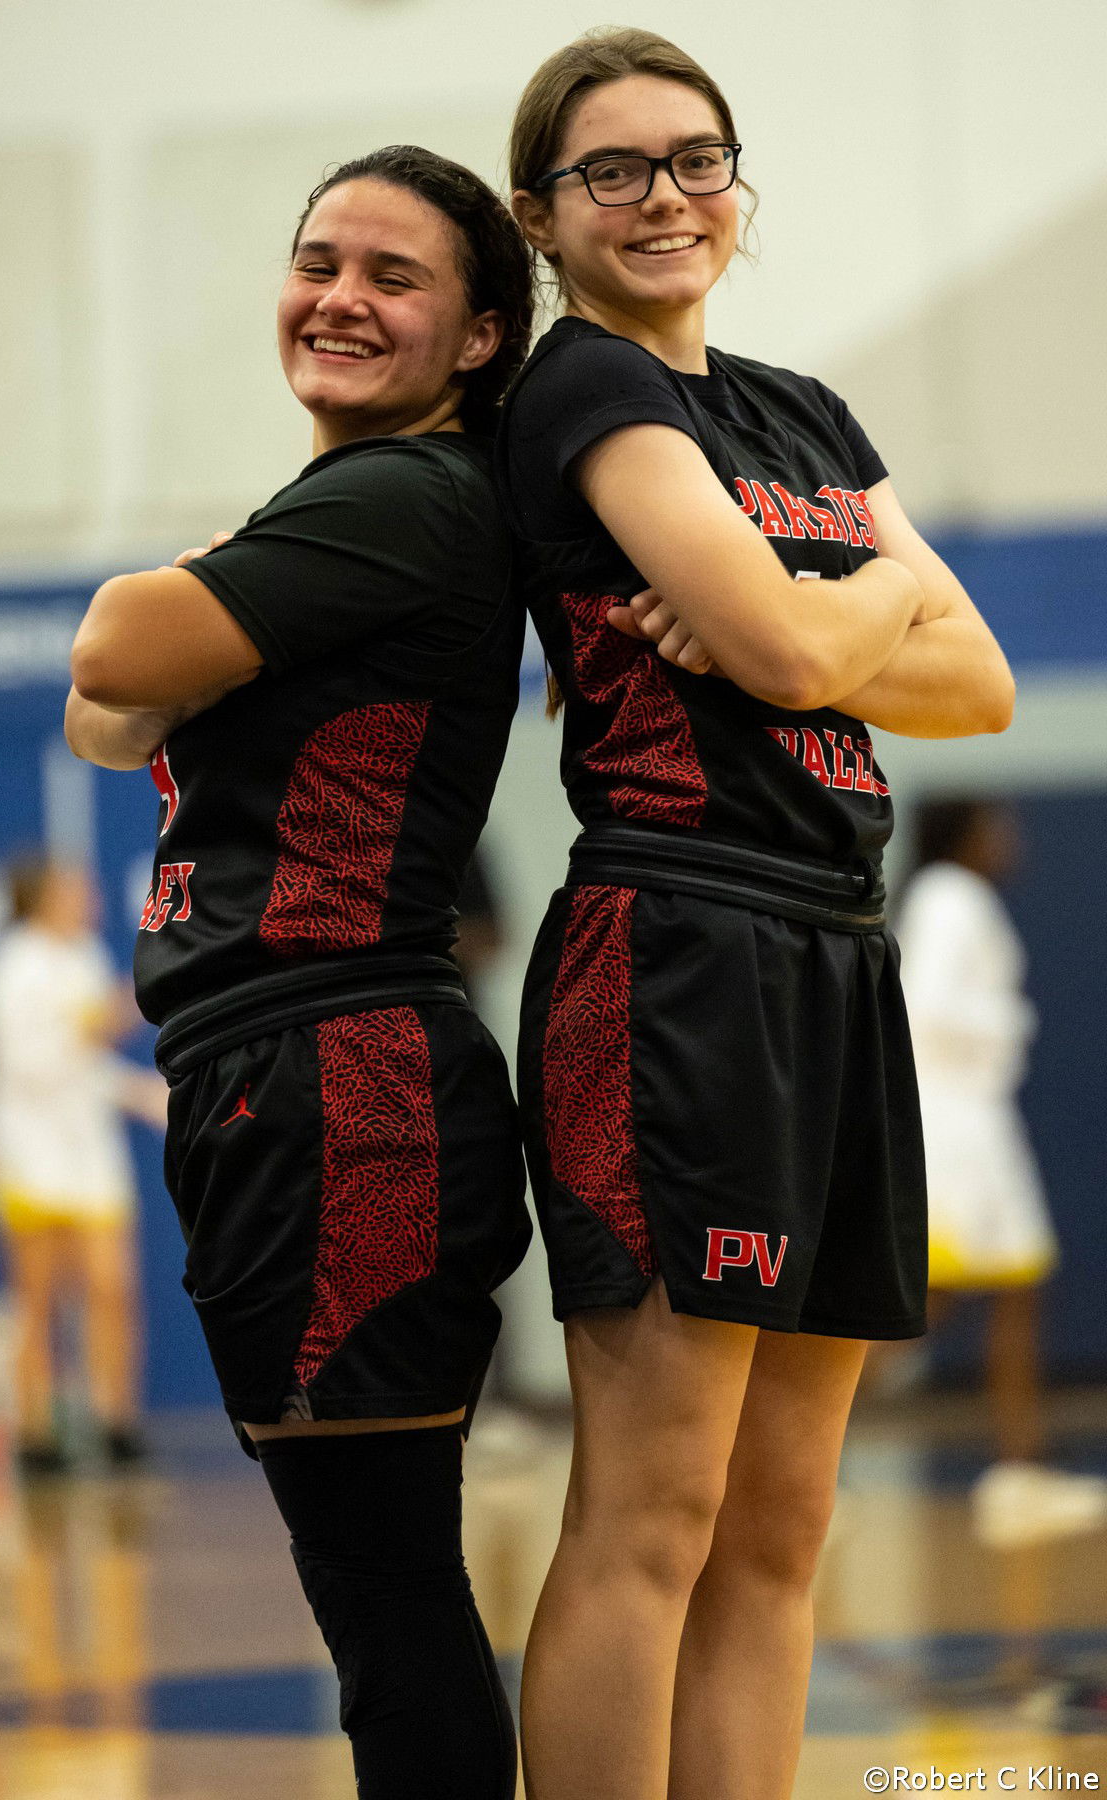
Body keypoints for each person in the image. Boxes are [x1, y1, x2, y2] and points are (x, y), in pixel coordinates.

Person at [498, 29, 1016, 1800]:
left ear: (741, 191)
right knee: (657, 1512)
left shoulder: (802, 412)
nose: (664, 197)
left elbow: (988, 683)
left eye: (696, 158)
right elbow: (838, 651)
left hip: (834, 954)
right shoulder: (581, 393)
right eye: (614, 171)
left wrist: (796, 597)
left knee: (785, 1531)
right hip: (676, 952)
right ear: (543, 221)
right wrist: (865, 597)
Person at [64, 147, 534, 1799]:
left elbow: (117, 656)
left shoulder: (400, 494)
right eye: (317, 257)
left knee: (390, 1608)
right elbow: (101, 711)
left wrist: (166, 617)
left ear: (480, 336)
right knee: (380, 1598)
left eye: (393, 277)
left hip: (344, 1091)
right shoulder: (342, 510)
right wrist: (158, 635)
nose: (338, 295)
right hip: (293, 1086)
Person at [896, 798, 1107, 1548]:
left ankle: (1020, 1471)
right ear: (965, 833)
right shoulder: (950, 896)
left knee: (1006, 1286)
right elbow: (921, 1006)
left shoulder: (953, 898)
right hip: (953, 1123)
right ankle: (786, 1460)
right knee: (925, 1300)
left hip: (975, 1117)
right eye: (997, 824)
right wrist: (1009, 1022)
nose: (1011, 837)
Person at [0, 855, 160, 1472]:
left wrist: (135, 1091)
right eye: (73, 886)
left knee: (114, 1291)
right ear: (40, 896)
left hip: (91, 1160)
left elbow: (88, 1062)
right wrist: (95, 1030)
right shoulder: (11, 966)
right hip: (29, 1156)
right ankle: (35, 1436)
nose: (88, 894)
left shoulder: (85, 956)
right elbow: (30, 1064)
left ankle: (116, 1425)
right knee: (36, 1299)